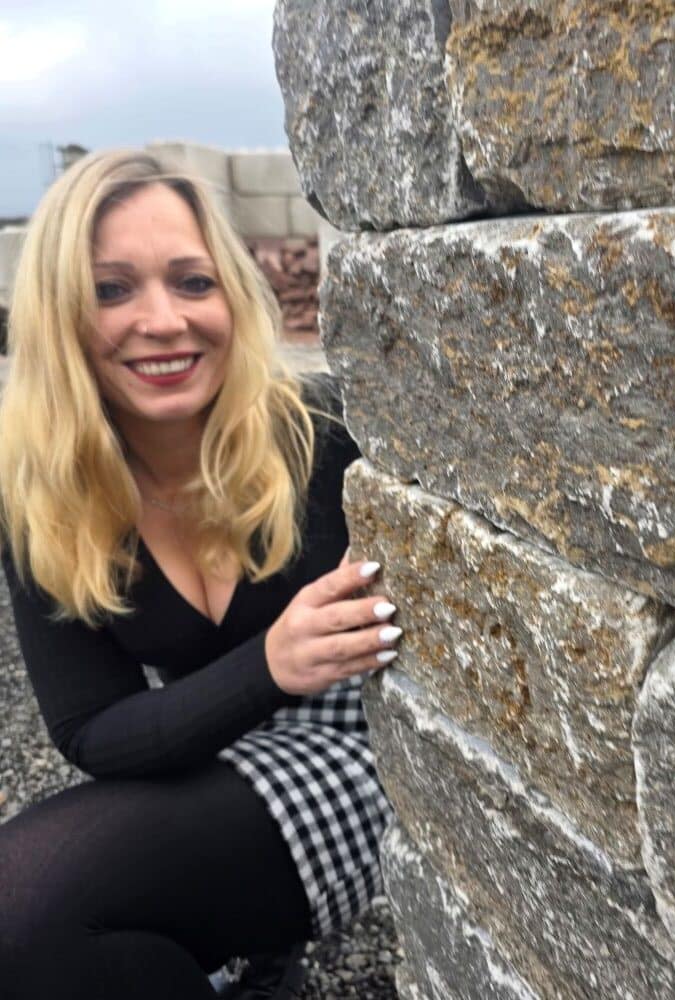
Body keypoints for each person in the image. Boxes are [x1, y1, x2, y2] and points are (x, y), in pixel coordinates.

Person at [0, 149, 396, 999]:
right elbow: (92, 728)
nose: (163, 320)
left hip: (367, 750)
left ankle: (257, 940)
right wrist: (270, 665)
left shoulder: (324, 432)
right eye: (111, 290)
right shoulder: (41, 495)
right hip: (208, 751)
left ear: (233, 295)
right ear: (58, 316)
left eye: (192, 281)